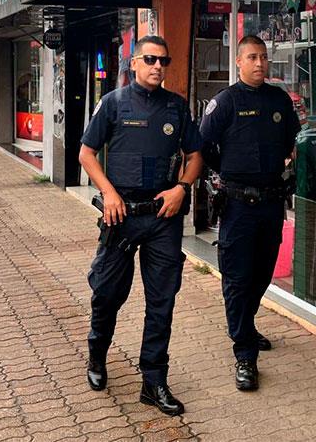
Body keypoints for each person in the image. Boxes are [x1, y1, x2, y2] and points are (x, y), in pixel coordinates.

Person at [78, 35, 203, 416]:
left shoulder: (177, 108)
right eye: (150, 59)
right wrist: (109, 194)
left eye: (163, 61)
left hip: (163, 217)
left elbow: (195, 155)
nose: (157, 67)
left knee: (162, 300)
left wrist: (183, 188)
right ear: (134, 63)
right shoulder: (113, 104)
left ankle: (154, 381)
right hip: (121, 216)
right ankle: (97, 355)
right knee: (108, 294)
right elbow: (86, 154)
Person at [199, 35, 301, 391]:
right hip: (239, 205)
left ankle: (247, 325)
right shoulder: (224, 103)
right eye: (252, 57)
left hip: (272, 203)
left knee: (261, 273)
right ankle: (244, 353)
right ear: (239, 62)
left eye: (263, 57)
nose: (259, 63)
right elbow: (202, 145)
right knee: (238, 277)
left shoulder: (279, 100)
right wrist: (226, 172)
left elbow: (292, 141)